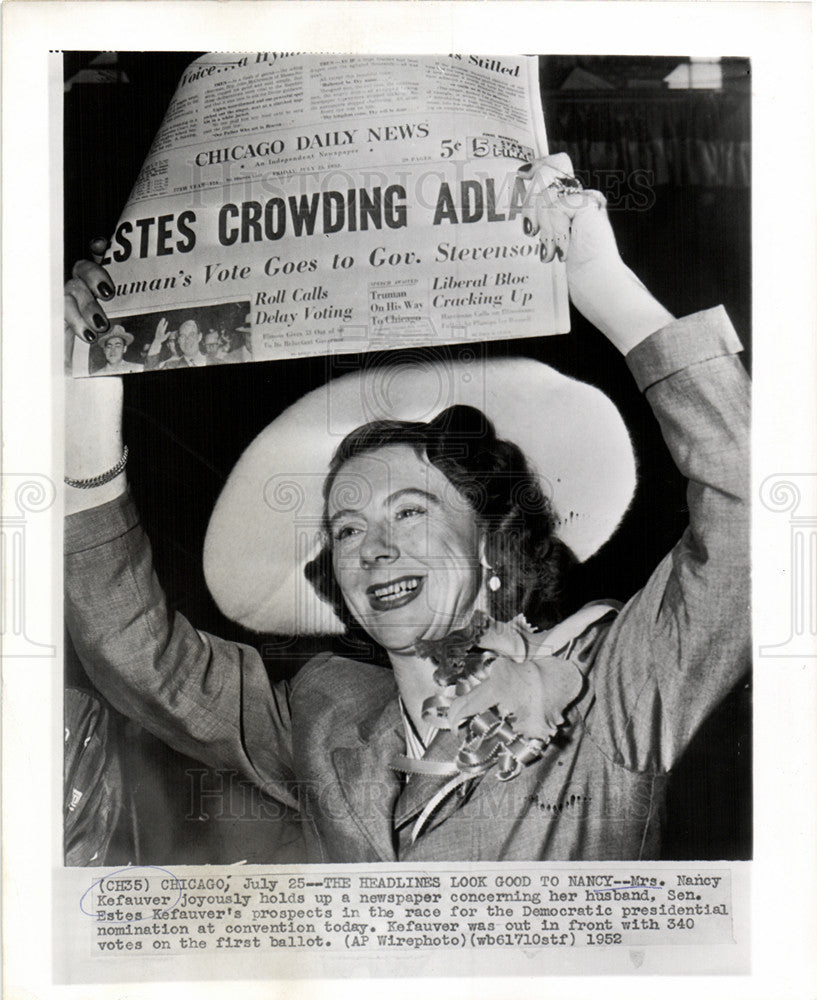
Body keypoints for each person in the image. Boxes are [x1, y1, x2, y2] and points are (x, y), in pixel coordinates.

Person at [63, 157, 749, 863]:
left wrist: (604, 284)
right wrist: (87, 377)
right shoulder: (325, 715)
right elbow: (136, 654)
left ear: (489, 542)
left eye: (410, 513)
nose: (373, 549)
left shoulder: (615, 684)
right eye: (347, 529)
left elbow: (749, 512)